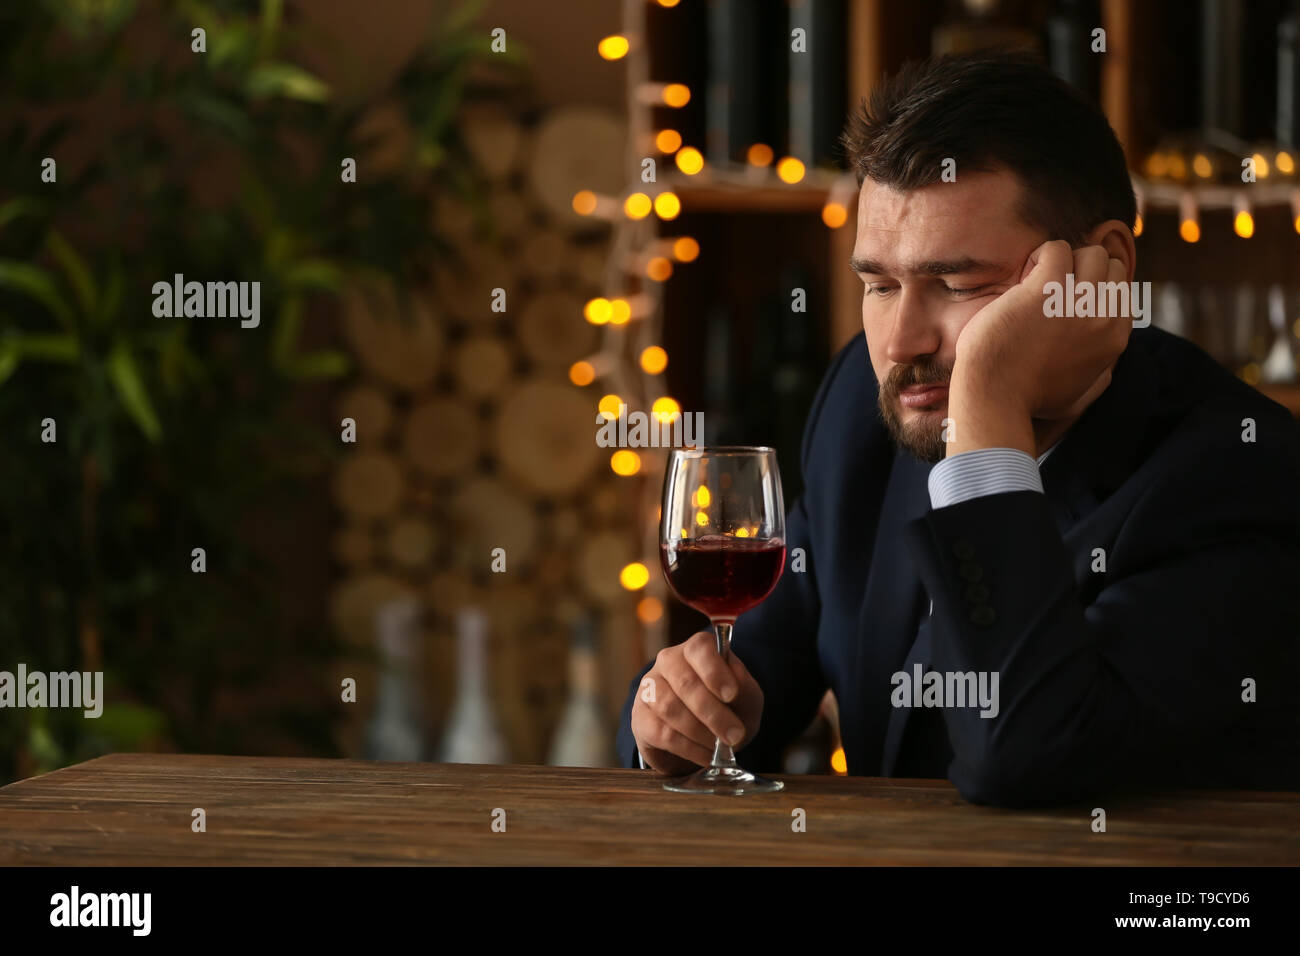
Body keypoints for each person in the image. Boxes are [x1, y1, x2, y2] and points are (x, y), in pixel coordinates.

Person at [615, 50, 1300, 807]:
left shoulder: (1237, 475)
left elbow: (1029, 760)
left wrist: (990, 391)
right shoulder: (861, 406)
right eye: (878, 285)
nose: (901, 341)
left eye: (958, 285)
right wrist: (677, 715)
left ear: (1102, 269)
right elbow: (753, 674)